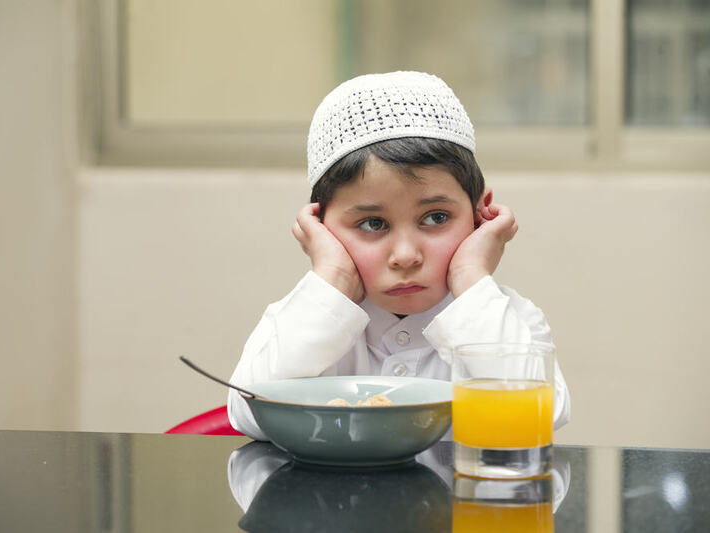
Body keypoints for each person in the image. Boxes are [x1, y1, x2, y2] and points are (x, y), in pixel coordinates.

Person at [227, 71, 570, 439]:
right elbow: (248, 413)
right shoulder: (302, 316)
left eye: (436, 218)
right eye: (373, 224)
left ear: (477, 213)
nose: (405, 256)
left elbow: (539, 415)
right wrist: (334, 277)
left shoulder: (508, 317)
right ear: (321, 227)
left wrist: (471, 275)